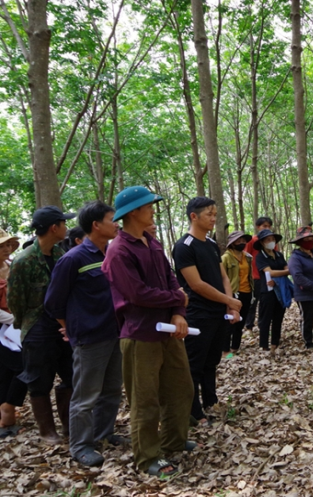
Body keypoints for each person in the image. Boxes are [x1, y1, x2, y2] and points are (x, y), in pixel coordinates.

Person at [102, 186, 194, 477]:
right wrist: (178, 299)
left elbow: (169, 278)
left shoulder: (152, 242)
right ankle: (148, 457)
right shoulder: (119, 251)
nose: (153, 209)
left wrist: (179, 313)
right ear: (133, 213)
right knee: (145, 400)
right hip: (140, 334)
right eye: (148, 206)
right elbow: (137, 294)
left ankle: (173, 441)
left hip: (169, 329)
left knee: (181, 389)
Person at [45, 201, 123, 467]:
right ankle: (80, 445)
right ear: (96, 225)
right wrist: (71, 325)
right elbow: (53, 302)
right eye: (112, 219)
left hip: (115, 333)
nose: (117, 224)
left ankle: (104, 434)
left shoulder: (111, 254)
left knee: (112, 389)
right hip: (89, 338)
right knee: (86, 394)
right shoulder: (73, 258)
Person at [8, 206, 75, 443]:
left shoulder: (62, 255)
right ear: (53, 228)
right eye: (63, 224)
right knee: (39, 380)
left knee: (71, 375)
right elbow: (15, 299)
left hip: (63, 326)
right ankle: (48, 431)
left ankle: (69, 427)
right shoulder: (23, 260)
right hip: (37, 328)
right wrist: (28, 324)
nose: (66, 228)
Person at [173, 197, 241, 426]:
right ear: (194, 216)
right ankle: (195, 412)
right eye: (209, 215)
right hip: (197, 314)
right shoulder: (183, 246)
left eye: (215, 214)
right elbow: (196, 285)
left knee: (212, 360)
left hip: (217, 314)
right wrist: (229, 301)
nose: (214, 219)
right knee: (194, 364)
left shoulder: (211, 245)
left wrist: (231, 304)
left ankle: (211, 400)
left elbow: (222, 276)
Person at [0, 229, 25, 439]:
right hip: (6, 325)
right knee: (13, 367)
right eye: (2, 246)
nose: (6, 249)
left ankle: (7, 410)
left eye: (8, 245)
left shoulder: (12, 266)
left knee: (15, 368)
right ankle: (6, 412)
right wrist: (13, 317)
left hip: (16, 327)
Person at [255, 229, 290, 356]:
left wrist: (277, 278)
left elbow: (287, 269)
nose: (271, 242)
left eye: (273, 239)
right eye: (268, 240)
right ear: (262, 243)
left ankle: (275, 344)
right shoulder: (260, 257)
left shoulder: (279, 255)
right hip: (267, 292)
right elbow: (269, 272)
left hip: (280, 291)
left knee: (278, 318)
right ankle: (264, 346)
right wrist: (282, 274)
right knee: (265, 319)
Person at [221, 231, 253, 356]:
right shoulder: (225, 258)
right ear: (232, 243)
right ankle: (225, 349)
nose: (241, 243)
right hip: (233, 293)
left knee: (241, 321)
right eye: (238, 241)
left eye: (243, 240)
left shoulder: (248, 257)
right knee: (230, 322)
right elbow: (222, 277)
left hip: (247, 292)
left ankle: (235, 347)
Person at [243, 217, 273, 332]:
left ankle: (263, 326)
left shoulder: (271, 241)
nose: (267, 228)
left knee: (265, 303)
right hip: (254, 276)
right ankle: (249, 326)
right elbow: (246, 256)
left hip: (268, 276)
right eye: (264, 226)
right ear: (258, 227)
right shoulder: (252, 240)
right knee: (252, 302)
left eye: (269, 226)